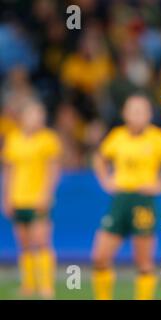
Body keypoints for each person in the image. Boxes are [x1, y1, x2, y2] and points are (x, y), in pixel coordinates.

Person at [91, 95, 161, 300]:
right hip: (120, 200)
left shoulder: (158, 138)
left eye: (142, 110)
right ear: (125, 114)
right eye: (133, 110)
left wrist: (160, 186)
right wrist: (106, 181)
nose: (137, 115)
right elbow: (99, 158)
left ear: (149, 115)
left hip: (143, 202)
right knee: (100, 257)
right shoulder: (117, 136)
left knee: (144, 263)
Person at [1, 100, 61, 299]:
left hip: (38, 199)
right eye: (32, 114)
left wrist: (46, 194)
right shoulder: (13, 139)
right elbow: (9, 171)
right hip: (19, 198)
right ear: (23, 117)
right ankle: (28, 285)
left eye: (39, 115)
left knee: (42, 242)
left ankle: (46, 286)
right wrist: (6, 197)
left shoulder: (48, 140)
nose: (36, 119)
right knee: (24, 244)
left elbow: (53, 170)